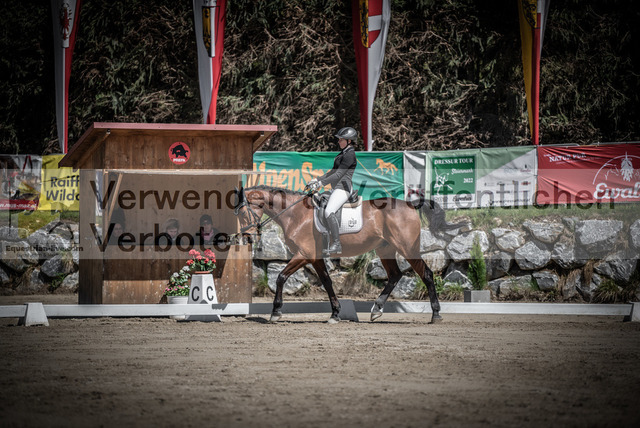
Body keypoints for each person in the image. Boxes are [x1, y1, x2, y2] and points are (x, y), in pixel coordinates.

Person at [307, 126, 358, 255]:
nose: (339, 141)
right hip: (336, 188)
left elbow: (338, 175)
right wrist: (316, 179)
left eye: (341, 139)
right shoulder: (342, 154)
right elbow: (331, 172)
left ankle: (336, 243)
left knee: (329, 211)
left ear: (349, 141)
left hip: (343, 188)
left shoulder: (350, 155)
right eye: (339, 139)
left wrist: (320, 184)